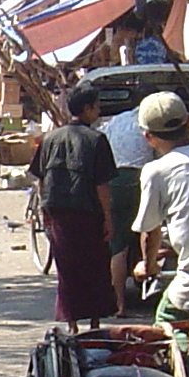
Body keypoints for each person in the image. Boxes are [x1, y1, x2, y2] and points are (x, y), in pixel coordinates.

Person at [34, 80, 118, 325]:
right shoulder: (96, 140)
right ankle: (93, 322)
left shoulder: (50, 139)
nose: (99, 112)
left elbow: (41, 178)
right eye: (96, 107)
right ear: (88, 108)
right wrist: (108, 217)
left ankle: (71, 324)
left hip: (59, 212)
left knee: (68, 269)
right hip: (88, 213)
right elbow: (102, 185)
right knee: (94, 268)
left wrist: (43, 209)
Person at [130, 91, 189, 328]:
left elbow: (150, 231)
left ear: (148, 137)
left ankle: (188, 364)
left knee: (166, 319)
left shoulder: (156, 171)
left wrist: (148, 266)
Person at [101, 93, 154, 311]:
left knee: (119, 246)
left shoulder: (116, 121)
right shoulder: (151, 122)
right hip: (141, 180)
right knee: (150, 230)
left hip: (116, 181)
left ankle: (120, 304)